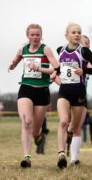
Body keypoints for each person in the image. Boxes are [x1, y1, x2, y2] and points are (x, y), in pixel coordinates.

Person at [8, 24, 59, 168]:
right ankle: (27, 157)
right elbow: (15, 62)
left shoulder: (46, 49)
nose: (35, 37)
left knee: (36, 129)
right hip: (26, 89)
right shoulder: (23, 50)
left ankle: (38, 136)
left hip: (42, 91)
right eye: (32, 35)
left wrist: (41, 69)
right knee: (26, 122)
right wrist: (11, 65)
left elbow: (56, 68)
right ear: (28, 36)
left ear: (41, 35)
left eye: (37, 35)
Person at [55, 23, 92, 169]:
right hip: (64, 92)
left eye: (79, 32)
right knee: (63, 121)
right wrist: (53, 73)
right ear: (67, 35)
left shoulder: (85, 52)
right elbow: (59, 68)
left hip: (79, 94)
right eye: (74, 32)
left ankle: (74, 157)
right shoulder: (60, 50)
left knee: (75, 127)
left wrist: (84, 71)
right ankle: (62, 154)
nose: (76, 34)